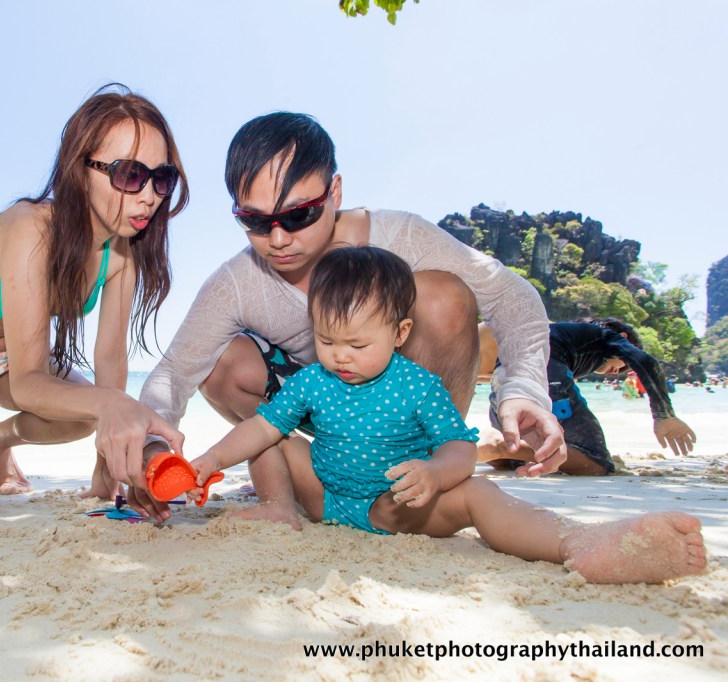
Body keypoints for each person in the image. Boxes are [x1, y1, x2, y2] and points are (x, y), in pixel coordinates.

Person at [128, 112, 565, 527]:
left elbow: (512, 296)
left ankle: (437, 463)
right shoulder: (237, 283)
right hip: (317, 405)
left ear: (334, 192)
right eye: (255, 221)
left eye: (298, 215)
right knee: (222, 362)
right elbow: (174, 373)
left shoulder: (402, 235)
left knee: (443, 296)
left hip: (407, 404)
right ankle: (285, 479)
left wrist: (524, 390)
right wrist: (152, 450)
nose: (277, 239)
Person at [188, 246, 706, 584]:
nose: (339, 356)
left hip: (396, 505)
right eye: (326, 340)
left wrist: (435, 474)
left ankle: (579, 542)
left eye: (357, 344)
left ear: (400, 333)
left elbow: (458, 449)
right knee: (273, 433)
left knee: (479, 492)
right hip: (323, 496)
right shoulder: (312, 381)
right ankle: (279, 507)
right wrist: (210, 460)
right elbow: (259, 428)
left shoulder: (418, 385)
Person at [0, 85, 187, 506]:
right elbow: (27, 386)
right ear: (80, 170)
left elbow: (111, 362)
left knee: (82, 413)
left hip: (11, 355)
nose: (149, 196)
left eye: (161, 178)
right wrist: (112, 404)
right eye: (129, 175)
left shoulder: (121, 256)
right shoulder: (30, 229)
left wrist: (107, 475)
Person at [477, 319, 697, 475]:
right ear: (623, 339)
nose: (617, 372)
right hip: (541, 367)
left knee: (516, 460)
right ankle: (500, 444)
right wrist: (664, 415)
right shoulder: (605, 337)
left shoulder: (565, 337)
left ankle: (493, 446)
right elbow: (647, 361)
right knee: (596, 461)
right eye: (624, 366)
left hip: (506, 376)